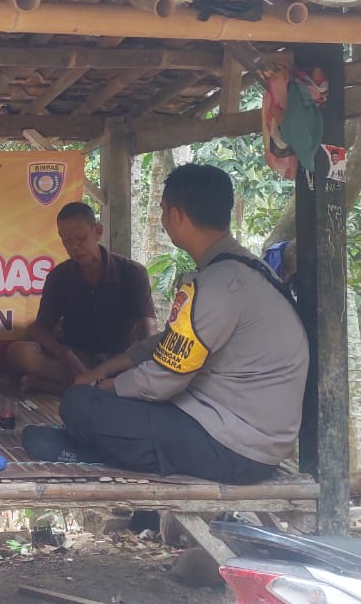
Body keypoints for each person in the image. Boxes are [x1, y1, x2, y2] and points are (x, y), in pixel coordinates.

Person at [27, 164, 309, 485]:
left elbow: (161, 381)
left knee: (78, 405)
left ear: (175, 215)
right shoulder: (243, 269)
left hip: (234, 446)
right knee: (89, 403)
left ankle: (97, 450)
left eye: (162, 210)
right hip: (242, 432)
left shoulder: (218, 286)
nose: (162, 219)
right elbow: (170, 340)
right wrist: (112, 366)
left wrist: (103, 386)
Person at [7, 201, 157, 393]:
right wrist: (62, 352)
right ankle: (94, 386)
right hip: (76, 361)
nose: (74, 246)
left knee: (145, 364)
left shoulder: (132, 272)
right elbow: (40, 328)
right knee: (20, 353)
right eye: (66, 240)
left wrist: (139, 362)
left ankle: (63, 387)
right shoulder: (59, 276)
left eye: (81, 238)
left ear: (98, 231)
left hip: (118, 362)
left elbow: (148, 329)